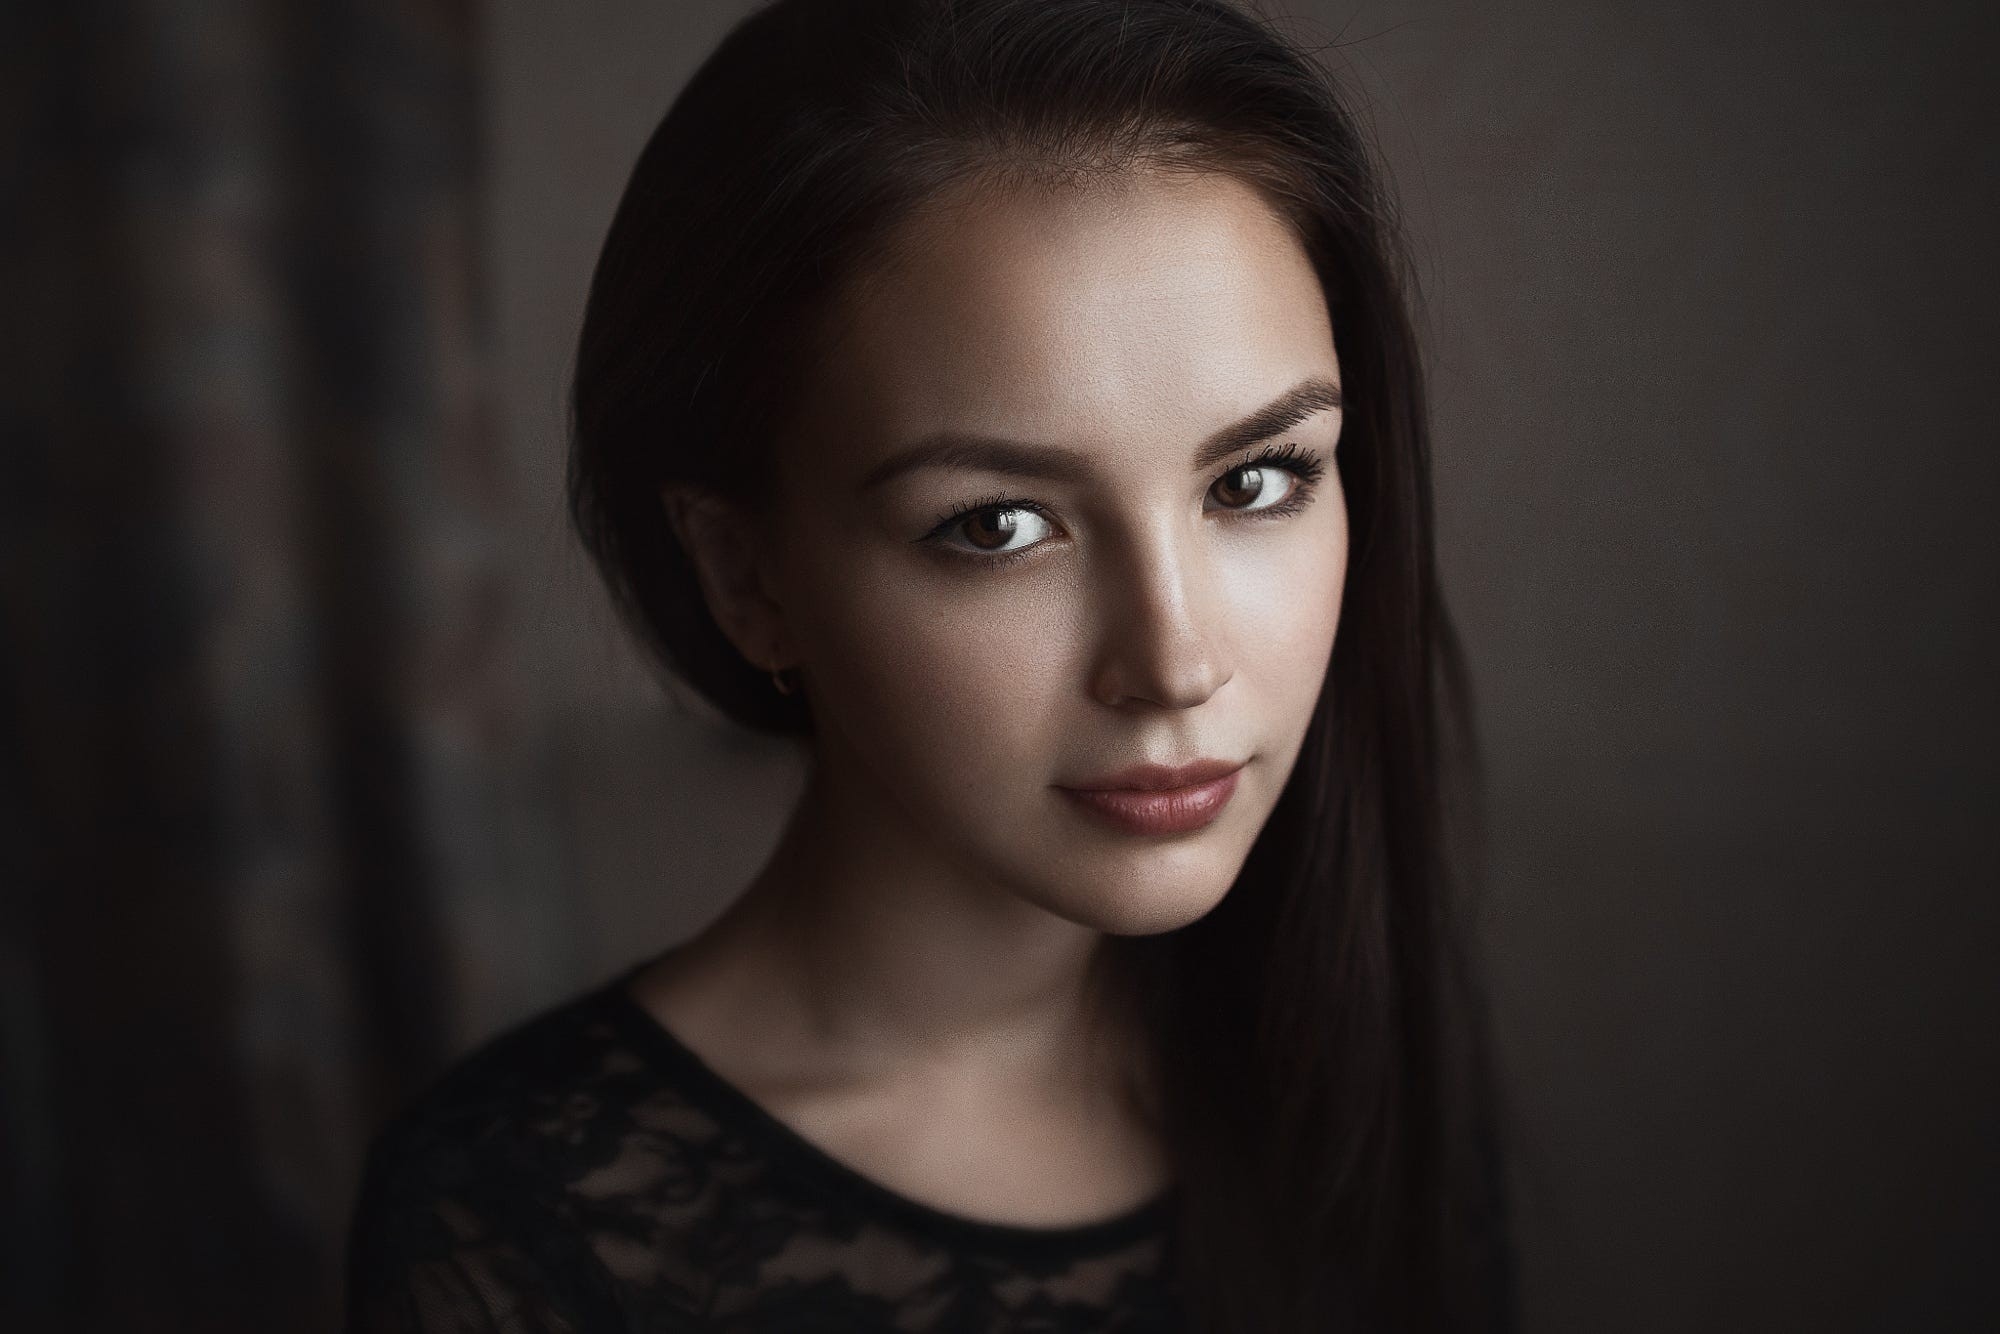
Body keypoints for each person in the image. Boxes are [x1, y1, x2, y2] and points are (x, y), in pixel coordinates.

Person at [344, 0, 1513, 1329]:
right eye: (1000, 524)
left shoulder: (1349, 1058)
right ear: (749, 575)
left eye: (1257, 479)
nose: (1176, 660)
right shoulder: (524, 1218)